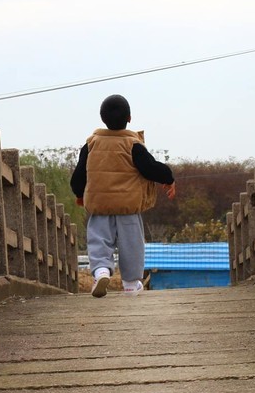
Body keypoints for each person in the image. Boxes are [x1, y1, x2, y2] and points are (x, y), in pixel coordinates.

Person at [70, 94, 176, 297]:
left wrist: (79, 193)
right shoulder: (132, 144)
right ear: (129, 118)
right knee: (132, 244)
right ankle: (130, 283)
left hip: (100, 206)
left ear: (102, 119)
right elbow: (149, 168)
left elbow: (80, 173)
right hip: (128, 206)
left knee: (99, 240)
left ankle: (101, 271)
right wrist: (168, 178)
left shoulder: (91, 144)